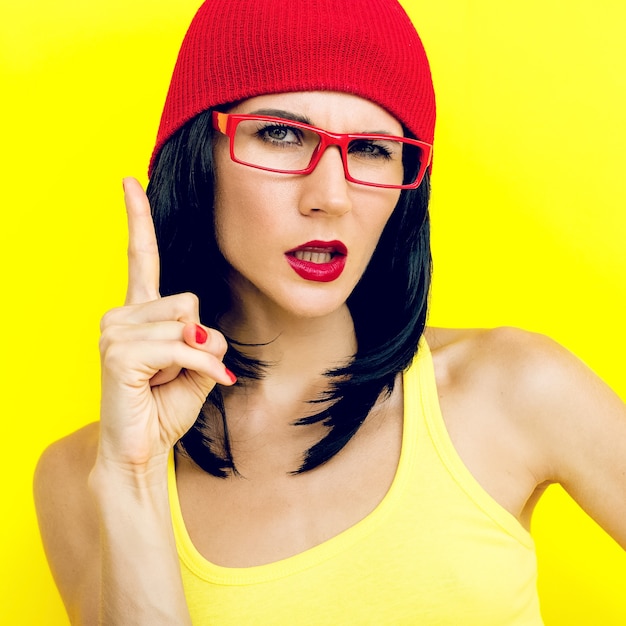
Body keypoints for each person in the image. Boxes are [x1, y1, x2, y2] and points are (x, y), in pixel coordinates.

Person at [33, 0, 626, 624]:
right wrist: (134, 479)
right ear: (199, 155)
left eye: (372, 148)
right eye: (282, 135)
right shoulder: (82, 478)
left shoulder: (516, 388)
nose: (331, 197)